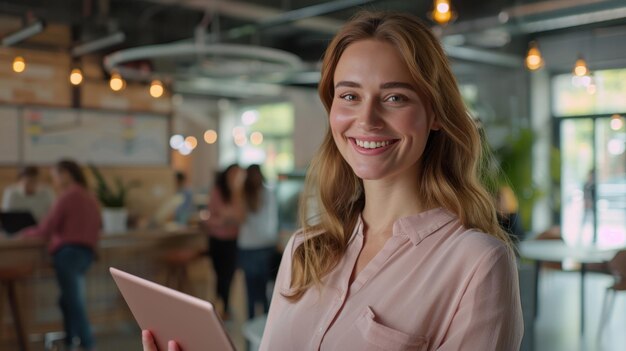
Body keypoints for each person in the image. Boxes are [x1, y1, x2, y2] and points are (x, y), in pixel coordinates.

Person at [143, 11, 523, 351]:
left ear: (436, 113)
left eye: (394, 98)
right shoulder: (303, 251)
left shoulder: (477, 263)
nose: (367, 119)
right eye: (350, 96)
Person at [19, 159, 101, 351]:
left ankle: (88, 344)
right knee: (66, 300)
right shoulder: (90, 196)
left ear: (66, 174)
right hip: (86, 254)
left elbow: (46, 229)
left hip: (68, 254)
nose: (54, 180)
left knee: (74, 301)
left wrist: (22, 234)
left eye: (55, 175)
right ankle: (70, 341)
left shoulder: (67, 197)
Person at [205, 164, 246, 320]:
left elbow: (239, 217)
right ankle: (219, 305)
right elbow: (214, 217)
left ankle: (225, 307)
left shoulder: (238, 193)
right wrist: (225, 220)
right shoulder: (217, 191)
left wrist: (226, 218)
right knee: (219, 274)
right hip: (216, 240)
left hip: (232, 240)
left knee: (229, 275)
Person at [238, 164, 278, 319]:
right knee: (266, 290)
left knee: (250, 293)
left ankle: (251, 327)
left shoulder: (242, 196)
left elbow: (239, 219)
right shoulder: (268, 193)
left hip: (248, 246)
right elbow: (273, 220)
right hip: (265, 245)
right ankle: (265, 329)